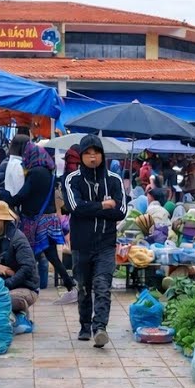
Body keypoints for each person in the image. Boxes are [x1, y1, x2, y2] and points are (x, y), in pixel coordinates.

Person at [61, 134, 126, 347]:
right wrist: (103, 206)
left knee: (102, 285)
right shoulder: (72, 179)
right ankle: (84, 325)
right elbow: (75, 207)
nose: (92, 158)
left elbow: (121, 211)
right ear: (81, 156)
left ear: (102, 155)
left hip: (106, 243)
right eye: (87, 154)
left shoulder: (114, 180)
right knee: (83, 287)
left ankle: (100, 327)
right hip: (81, 244)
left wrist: (92, 208)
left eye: (96, 153)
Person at [10, 142, 76, 300]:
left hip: (36, 221)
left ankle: (25, 284)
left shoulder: (35, 173)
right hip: (50, 219)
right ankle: (69, 284)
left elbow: (24, 194)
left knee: (26, 253)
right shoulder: (49, 172)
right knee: (51, 255)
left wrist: (9, 200)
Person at [0, 200, 40, 332]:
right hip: (3, 285)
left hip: (26, 288)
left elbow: (27, 268)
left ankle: (21, 315)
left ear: (0, 221)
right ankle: (12, 316)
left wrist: (6, 284)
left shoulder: (18, 239)